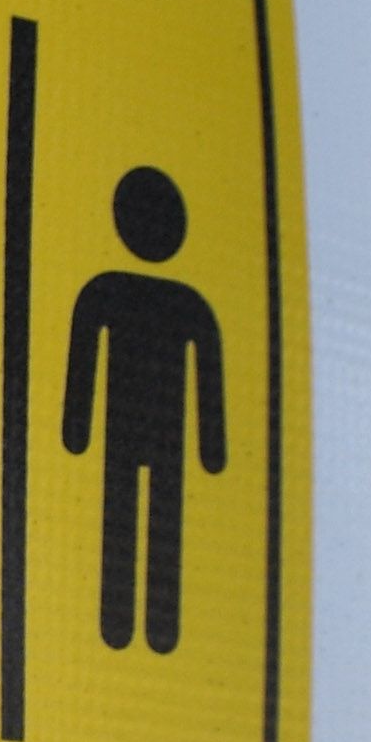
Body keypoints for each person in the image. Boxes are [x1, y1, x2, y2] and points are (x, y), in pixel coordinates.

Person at [61, 165, 226, 655]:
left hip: (152, 435)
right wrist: (76, 428)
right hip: (133, 433)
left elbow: (208, 380)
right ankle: (123, 620)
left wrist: (213, 449)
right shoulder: (109, 293)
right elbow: (84, 362)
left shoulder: (179, 304)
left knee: (155, 522)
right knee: (128, 518)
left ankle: (154, 624)